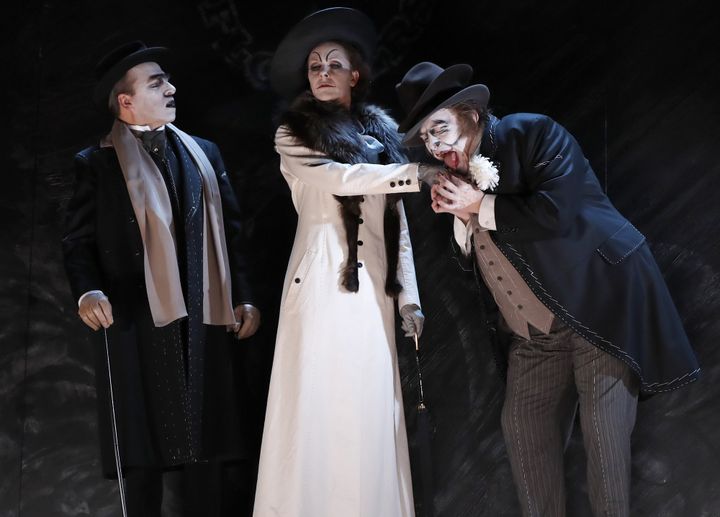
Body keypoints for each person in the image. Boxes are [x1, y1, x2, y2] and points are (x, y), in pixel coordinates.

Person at [395, 62, 700, 517]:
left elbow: (559, 214)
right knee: (522, 432)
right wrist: (464, 219)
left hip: (601, 309)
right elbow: (477, 270)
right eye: (426, 139)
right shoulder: (457, 181)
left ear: (471, 114)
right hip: (536, 337)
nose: (436, 147)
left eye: (440, 129)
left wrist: (480, 203)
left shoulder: (533, 133)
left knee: (604, 443)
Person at [252, 8, 441, 517]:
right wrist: (412, 172)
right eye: (315, 66)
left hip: (373, 287)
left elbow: (393, 227)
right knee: (320, 401)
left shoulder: (382, 141)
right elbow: (341, 178)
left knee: (369, 406)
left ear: (354, 74)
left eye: (333, 64)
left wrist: (410, 298)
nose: (322, 73)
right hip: (322, 281)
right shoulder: (294, 136)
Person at [62, 41, 261, 516]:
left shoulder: (203, 154)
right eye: (156, 83)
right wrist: (89, 290)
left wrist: (245, 297)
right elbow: (77, 241)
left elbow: (231, 234)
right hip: (135, 316)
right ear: (125, 100)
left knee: (207, 440)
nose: (171, 89)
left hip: (203, 312)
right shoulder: (97, 162)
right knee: (141, 448)